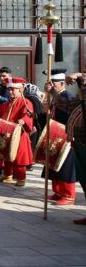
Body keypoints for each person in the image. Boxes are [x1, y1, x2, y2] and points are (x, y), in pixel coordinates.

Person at [44, 69, 78, 205]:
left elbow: (71, 117)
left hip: (65, 134)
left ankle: (68, 195)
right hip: (54, 134)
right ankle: (58, 191)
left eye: (53, 83)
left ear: (62, 83)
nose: (50, 85)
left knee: (66, 166)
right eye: (50, 83)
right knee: (54, 164)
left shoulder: (68, 97)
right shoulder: (55, 96)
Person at [0, 77, 34, 187]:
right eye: (9, 90)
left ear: (20, 90)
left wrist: (24, 120)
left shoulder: (26, 102)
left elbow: (28, 115)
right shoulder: (5, 104)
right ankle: (7, 175)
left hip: (19, 135)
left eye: (13, 90)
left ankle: (21, 178)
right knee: (6, 155)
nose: (10, 92)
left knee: (20, 158)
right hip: (7, 134)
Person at [66, 72, 86, 223]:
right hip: (80, 142)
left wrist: (79, 74)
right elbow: (65, 105)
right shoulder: (80, 101)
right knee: (84, 178)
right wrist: (52, 90)